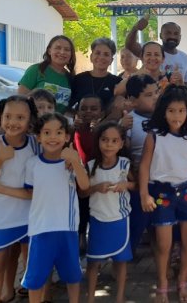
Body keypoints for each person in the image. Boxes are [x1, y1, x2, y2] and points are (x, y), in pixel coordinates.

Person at [139, 86, 187, 303]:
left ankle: (182, 281)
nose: (177, 116)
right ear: (163, 111)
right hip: (162, 194)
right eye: (171, 110)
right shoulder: (154, 137)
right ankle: (162, 284)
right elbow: (144, 166)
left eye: (181, 111)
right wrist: (144, 194)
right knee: (164, 244)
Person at [22, 113, 89, 303]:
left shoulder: (71, 162)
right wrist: (1, 189)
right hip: (40, 228)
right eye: (47, 132)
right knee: (35, 277)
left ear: (67, 137)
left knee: (72, 274)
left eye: (59, 132)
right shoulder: (32, 163)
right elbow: (29, 193)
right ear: (39, 137)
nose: (53, 137)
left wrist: (75, 161)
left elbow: (84, 186)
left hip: (67, 227)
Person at [0, 96, 39, 303]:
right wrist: (0, 159)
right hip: (1, 217)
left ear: (30, 120)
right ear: (0, 117)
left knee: (30, 263)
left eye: (20, 117)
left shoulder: (35, 143)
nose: (13, 122)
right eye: (8, 116)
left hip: (30, 215)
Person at [85, 122, 133, 303]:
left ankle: (119, 297)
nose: (109, 144)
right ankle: (90, 298)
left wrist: (125, 185)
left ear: (121, 144)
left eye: (114, 141)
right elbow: (82, 191)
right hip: (98, 218)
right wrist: (96, 187)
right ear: (98, 142)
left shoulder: (124, 164)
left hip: (120, 218)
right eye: (105, 140)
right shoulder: (90, 166)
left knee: (121, 260)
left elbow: (136, 184)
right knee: (93, 261)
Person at [122, 74, 159, 254]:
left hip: (160, 179)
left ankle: (160, 254)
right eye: (148, 95)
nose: (155, 97)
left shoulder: (165, 117)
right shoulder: (129, 121)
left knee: (158, 223)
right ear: (133, 100)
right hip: (138, 181)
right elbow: (124, 151)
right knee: (137, 221)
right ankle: (127, 256)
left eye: (156, 93)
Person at [72, 95, 105, 254]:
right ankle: (81, 236)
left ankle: (96, 239)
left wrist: (98, 131)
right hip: (80, 177)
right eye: (83, 108)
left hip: (99, 175)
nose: (88, 112)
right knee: (82, 207)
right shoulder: (73, 130)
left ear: (101, 112)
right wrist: (73, 130)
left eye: (94, 109)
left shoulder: (103, 131)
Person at [126, 17, 187, 87]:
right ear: (161, 35)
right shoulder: (151, 51)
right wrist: (135, 28)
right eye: (168, 33)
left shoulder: (186, 59)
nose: (172, 36)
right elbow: (129, 45)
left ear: (180, 37)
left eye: (176, 34)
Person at [18, 35, 76, 114]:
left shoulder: (71, 78)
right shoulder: (36, 70)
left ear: (71, 54)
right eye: (58, 48)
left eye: (67, 49)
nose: (62, 52)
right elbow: (20, 99)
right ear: (49, 51)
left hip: (56, 124)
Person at [69, 38, 122, 110]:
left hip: (108, 121)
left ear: (111, 60)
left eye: (106, 54)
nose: (101, 57)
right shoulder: (78, 80)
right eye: (97, 53)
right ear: (91, 57)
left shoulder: (117, 82)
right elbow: (69, 106)